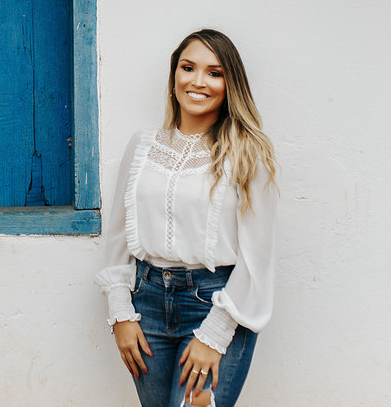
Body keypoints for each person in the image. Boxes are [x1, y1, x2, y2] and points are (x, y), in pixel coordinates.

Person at [95, 29, 277, 407]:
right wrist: (120, 312)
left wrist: (214, 334)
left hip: (216, 303)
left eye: (214, 73)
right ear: (174, 75)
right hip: (145, 305)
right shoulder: (143, 146)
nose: (197, 81)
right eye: (188, 67)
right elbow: (118, 235)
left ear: (231, 85)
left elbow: (257, 259)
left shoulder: (247, 154)